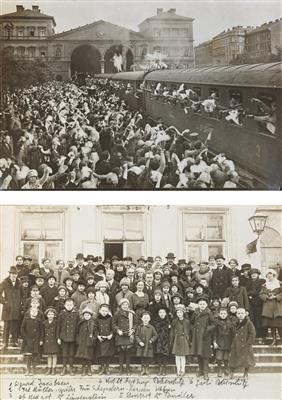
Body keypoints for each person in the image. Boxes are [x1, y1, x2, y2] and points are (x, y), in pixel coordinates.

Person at [191, 295, 215, 379]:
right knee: (199, 354)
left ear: (206, 305)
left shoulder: (209, 313)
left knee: (205, 355)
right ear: (198, 305)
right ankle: (200, 371)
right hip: (197, 336)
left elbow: (213, 324)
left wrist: (207, 330)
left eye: (203, 304)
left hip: (205, 337)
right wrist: (194, 330)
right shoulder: (195, 313)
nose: (202, 305)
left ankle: (206, 373)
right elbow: (191, 322)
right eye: (200, 304)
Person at [229, 307, 256, 379]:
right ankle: (231, 372)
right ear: (236, 314)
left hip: (245, 344)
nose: (240, 315)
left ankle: (246, 373)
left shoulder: (248, 323)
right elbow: (231, 333)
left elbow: (252, 333)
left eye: (242, 313)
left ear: (245, 314)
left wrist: (249, 342)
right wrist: (233, 341)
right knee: (233, 358)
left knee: (246, 360)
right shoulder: (234, 323)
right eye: (239, 313)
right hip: (236, 344)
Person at [112, 298, 137, 375]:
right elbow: (113, 324)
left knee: (128, 353)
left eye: (126, 305)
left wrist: (132, 330)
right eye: (123, 305)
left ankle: (128, 369)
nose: (125, 306)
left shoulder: (131, 314)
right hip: (121, 335)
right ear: (120, 305)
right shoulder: (117, 314)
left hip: (129, 335)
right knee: (121, 353)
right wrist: (118, 330)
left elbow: (136, 323)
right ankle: (121, 369)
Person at [0, 266, 22, 349]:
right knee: (7, 325)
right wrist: (4, 302)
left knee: (15, 325)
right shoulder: (5, 282)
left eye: (15, 274)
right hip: (8, 308)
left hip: (16, 308)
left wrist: (21, 303)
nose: (14, 275)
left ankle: (15, 341)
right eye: (12, 274)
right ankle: (4, 343)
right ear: (9, 274)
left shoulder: (19, 282)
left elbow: (23, 294)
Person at [57, 298, 79, 376]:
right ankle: (64, 368)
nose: (69, 306)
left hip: (73, 337)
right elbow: (58, 326)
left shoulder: (76, 314)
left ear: (73, 305)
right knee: (64, 353)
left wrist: (77, 337)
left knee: (71, 353)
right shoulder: (61, 314)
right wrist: (58, 337)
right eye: (67, 305)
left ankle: (70, 368)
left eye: (70, 305)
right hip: (64, 337)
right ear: (65, 305)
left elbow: (77, 327)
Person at [259, 269, 282, 346]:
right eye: (268, 275)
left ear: (274, 275)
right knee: (271, 325)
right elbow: (261, 294)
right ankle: (274, 340)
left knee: (279, 325)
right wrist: (266, 297)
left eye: (271, 275)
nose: (269, 276)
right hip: (268, 308)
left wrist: (276, 296)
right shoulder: (265, 285)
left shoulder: (279, 284)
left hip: (277, 307)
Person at [21, 306, 43, 375]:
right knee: (28, 355)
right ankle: (28, 370)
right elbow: (22, 329)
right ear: (30, 312)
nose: (34, 312)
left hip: (36, 340)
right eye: (32, 311)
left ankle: (33, 370)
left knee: (34, 355)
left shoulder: (39, 321)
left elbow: (42, 331)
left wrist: (41, 340)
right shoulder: (26, 319)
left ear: (37, 313)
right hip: (28, 340)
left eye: (35, 312)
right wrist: (26, 338)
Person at [170, 304, 191, 376]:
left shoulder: (187, 321)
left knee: (183, 356)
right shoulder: (174, 321)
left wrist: (188, 339)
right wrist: (172, 340)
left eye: (181, 312)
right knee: (177, 356)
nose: (179, 314)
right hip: (176, 339)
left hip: (184, 339)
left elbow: (188, 331)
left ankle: (183, 370)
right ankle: (178, 370)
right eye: (178, 312)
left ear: (183, 313)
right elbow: (172, 331)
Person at [94, 304, 115, 375]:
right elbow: (95, 328)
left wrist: (111, 335)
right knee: (101, 354)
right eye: (103, 310)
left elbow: (113, 328)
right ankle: (102, 368)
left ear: (108, 311)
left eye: (106, 311)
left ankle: (107, 368)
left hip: (108, 338)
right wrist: (98, 336)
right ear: (100, 311)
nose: (104, 312)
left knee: (108, 354)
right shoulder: (97, 319)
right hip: (101, 339)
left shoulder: (111, 318)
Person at [246, 268, 266, 343]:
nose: (253, 275)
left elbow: (261, 291)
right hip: (251, 303)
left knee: (259, 319)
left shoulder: (262, 281)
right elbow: (246, 291)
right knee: (252, 318)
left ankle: (260, 335)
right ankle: (253, 334)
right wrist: (250, 294)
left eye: (255, 274)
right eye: (252, 274)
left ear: (258, 274)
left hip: (259, 303)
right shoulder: (248, 282)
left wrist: (251, 293)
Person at [135, 311, 158, 375]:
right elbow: (136, 335)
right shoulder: (139, 327)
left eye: (147, 318)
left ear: (149, 319)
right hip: (142, 345)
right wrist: (139, 342)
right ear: (142, 319)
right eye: (144, 318)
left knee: (147, 357)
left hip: (148, 345)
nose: (145, 319)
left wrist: (151, 340)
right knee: (142, 357)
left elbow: (155, 335)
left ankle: (147, 369)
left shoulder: (151, 327)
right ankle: (142, 369)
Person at [213, 307, 233, 377]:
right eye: (221, 313)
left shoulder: (230, 322)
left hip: (227, 342)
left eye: (224, 313)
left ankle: (226, 368)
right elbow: (214, 333)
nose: (223, 315)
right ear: (219, 314)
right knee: (219, 357)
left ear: (227, 314)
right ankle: (219, 370)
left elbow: (232, 333)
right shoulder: (216, 322)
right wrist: (214, 341)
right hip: (219, 341)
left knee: (226, 357)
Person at [75, 307, 95, 376]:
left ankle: (89, 368)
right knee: (83, 356)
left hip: (89, 341)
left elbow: (95, 332)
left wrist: (93, 339)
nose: (87, 316)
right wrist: (78, 340)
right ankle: (83, 368)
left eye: (88, 315)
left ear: (90, 316)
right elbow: (77, 332)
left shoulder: (92, 323)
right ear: (83, 316)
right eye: (85, 315)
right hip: (82, 342)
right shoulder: (80, 323)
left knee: (88, 356)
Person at [154, 307, 171, 375]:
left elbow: (170, 332)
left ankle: (164, 368)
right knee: (159, 354)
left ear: (166, 314)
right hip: (158, 340)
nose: (162, 314)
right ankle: (160, 368)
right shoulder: (156, 322)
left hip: (166, 340)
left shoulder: (168, 322)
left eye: (163, 312)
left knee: (165, 354)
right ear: (158, 314)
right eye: (160, 312)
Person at [42, 307, 59, 375]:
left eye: (52, 314)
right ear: (46, 315)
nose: (50, 316)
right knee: (49, 355)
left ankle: (53, 369)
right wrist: (42, 340)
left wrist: (58, 338)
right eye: (49, 314)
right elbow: (43, 332)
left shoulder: (56, 322)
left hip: (54, 340)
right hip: (47, 340)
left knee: (54, 355)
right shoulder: (44, 323)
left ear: (54, 315)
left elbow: (58, 331)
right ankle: (49, 368)